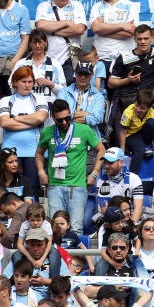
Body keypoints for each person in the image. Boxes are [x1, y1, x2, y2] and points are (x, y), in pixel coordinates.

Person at [36, 99, 105, 233]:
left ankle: (74, 255)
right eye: (59, 120)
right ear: (53, 118)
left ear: (71, 113)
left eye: (67, 118)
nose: (64, 122)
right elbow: (39, 153)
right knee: (55, 228)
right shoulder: (47, 132)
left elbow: (101, 150)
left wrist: (95, 173)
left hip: (77, 186)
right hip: (55, 186)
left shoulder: (84, 129)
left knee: (76, 228)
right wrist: (41, 172)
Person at [0, 67, 50, 200]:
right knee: (9, 188)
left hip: (34, 151)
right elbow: (4, 123)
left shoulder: (39, 98)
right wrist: (31, 121)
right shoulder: (6, 100)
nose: (27, 85)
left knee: (32, 188)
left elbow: (40, 118)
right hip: (10, 150)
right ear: (15, 82)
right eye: (23, 82)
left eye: (30, 82)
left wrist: (15, 118)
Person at [34, 0, 87, 87]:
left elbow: (80, 29)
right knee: (48, 91)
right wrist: (66, 22)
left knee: (69, 91)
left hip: (69, 61)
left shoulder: (77, 6)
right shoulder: (43, 7)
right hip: (48, 59)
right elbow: (40, 25)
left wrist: (52, 30)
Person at [88, 0, 139, 70]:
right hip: (100, 58)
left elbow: (129, 33)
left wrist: (103, 30)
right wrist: (122, 26)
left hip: (125, 58)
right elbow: (95, 28)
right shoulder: (97, 7)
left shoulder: (131, 6)